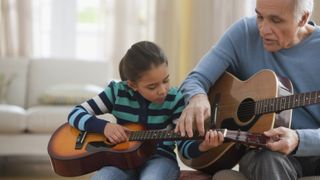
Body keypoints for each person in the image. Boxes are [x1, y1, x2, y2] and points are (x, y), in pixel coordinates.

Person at [176, 0, 320, 179]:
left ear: (303, 18)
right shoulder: (243, 32)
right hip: (265, 154)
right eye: (260, 16)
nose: (263, 29)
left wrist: (299, 139)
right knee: (267, 159)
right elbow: (195, 79)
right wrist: (197, 97)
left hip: (314, 153)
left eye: (275, 20)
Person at [67, 41, 187, 180]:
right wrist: (105, 127)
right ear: (132, 85)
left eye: (166, 80)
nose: (162, 90)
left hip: (160, 159)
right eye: (152, 87)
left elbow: (185, 145)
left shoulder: (176, 98)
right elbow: (75, 113)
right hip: (120, 160)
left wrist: (202, 146)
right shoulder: (117, 92)